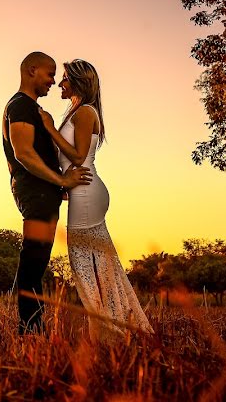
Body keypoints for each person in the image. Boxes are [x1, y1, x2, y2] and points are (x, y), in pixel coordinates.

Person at [39, 59, 153, 338]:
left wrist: (49, 127)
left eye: (65, 78)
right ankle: (113, 330)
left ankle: (111, 334)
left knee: (85, 267)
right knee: (95, 266)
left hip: (88, 192)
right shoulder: (76, 111)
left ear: (78, 81)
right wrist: (63, 182)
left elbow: (78, 156)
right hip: (81, 190)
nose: (60, 84)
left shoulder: (86, 112)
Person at [2, 52, 92, 335]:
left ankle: (32, 328)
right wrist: (61, 181)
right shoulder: (20, 106)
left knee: (36, 262)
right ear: (31, 70)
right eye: (49, 74)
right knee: (33, 261)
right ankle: (30, 330)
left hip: (43, 194)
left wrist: (57, 186)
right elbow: (24, 153)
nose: (53, 81)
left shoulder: (30, 108)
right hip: (37, 195)